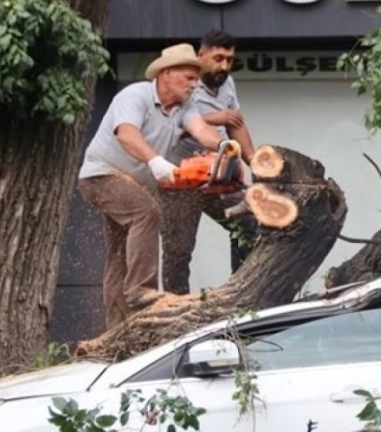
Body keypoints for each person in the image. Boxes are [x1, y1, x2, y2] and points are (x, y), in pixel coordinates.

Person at [77, 43, 228, 329]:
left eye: (197, 78)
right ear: (166, 73)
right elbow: (126, 134)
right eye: (189, 77)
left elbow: (201, 129)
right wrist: (156, 160)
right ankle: (142, 290)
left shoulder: (186, 107)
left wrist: (224, 146)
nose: (195, 84)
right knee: (147, 213)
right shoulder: (135, 96)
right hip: (101, 175)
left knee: (119, 255)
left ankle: (118, 330)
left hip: (133, 183)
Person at [160, 29, 256, 295]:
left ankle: (240, 294)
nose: (224, 66)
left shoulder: (227, 83)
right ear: (200, 55)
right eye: (218, 58)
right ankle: (175, 308)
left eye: (229, 60)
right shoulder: (183, 81)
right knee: (178, 251)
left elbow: (235, 123)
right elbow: (170, 119)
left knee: (250, 221)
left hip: (218, 172)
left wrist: (255, 163)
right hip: (180, 174)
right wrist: (217, 117)